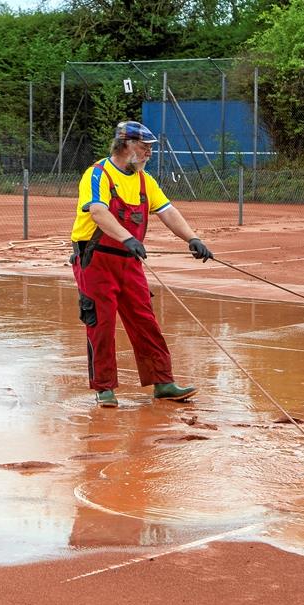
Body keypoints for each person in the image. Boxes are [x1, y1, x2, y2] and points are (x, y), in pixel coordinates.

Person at [69, 120, 215, 408]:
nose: (149, 152)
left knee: (145, 321)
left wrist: (193, 239)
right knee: (102, 323)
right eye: (144, 147)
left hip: (130, 263)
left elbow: (168, 211)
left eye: (150, 148)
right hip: (96, 259)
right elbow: (98, 212)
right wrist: (127, 238)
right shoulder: (97, 174)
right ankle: (104, 388)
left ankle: (163, 382)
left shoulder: (145, 179)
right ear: (126, 145)